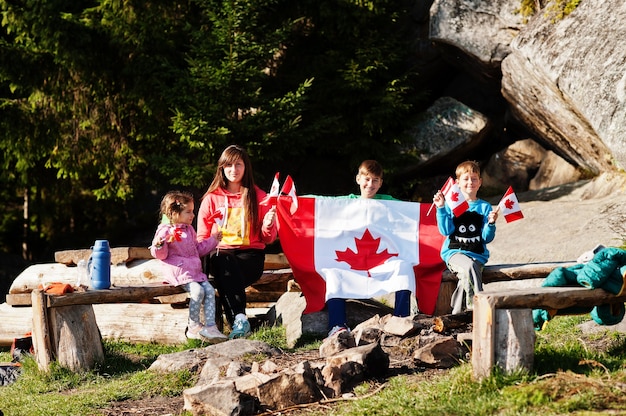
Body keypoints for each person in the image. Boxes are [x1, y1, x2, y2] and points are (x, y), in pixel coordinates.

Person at [197, 144, 278, 339]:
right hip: (220, 256)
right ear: (222, 169)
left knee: (228, 274)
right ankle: (240, 319)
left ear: (246, 167)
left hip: (250, 257)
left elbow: (268, 238)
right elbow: (201, 236)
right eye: (229, 165)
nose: (234, 170)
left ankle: (236, 322)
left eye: (239, 164)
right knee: (224, 262)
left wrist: (268, 224)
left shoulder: (259, 197)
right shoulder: (212, 199)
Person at [326, 160, 413, 338]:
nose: (370, 184)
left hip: (381, 262)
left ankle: (400, 318)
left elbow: (413, 212)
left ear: (380, 183)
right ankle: (337, 325)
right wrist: (292, 200)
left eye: (375, 180)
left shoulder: (390, 203)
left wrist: (441, 206)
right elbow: (321, 204)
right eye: (367, 179)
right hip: (350, 264)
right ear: (358, 179)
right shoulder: (345, 203)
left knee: (404, 267)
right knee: (333, 273)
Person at [150, 190, 227, 342]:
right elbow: (161, 255)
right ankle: (193, 325)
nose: (192, 215)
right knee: (198, 292)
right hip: (179, 272)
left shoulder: (189, 230)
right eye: (188, 212)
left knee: (210, 291)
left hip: (194, 272)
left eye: (193, 211)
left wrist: (213, 240)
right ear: (174, 212)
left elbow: (197, 250)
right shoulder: (165, 231)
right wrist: (159, 245)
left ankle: (210, 327)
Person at [432, 160, 498, 314]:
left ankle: (456, 313)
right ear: (457, 183)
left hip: (477, 255)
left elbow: (486, 238)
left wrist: (491, 223)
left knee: (467, 275)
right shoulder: (450, 204)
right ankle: (474, 308)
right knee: (469, 267)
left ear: (480, 182)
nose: (470, 182)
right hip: (455, 253)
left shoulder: (484, 207)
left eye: (474, 179)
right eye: (466, 179)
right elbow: (445, 230)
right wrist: (441, 208)